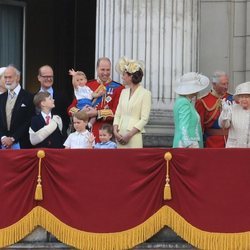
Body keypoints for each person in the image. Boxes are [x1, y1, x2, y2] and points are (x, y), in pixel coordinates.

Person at [67, 57, 124, 142]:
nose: (105, 73)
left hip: (106, 135)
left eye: (108, 70)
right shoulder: (87, 85)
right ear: (97, 69)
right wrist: (81, 112)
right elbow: (71, 108)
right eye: (102, 70)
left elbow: (118, 113)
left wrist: (97, 113)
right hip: (85, 134)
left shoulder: (118, 88)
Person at [113, 57, 151, 148]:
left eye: (124, 74)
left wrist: (129, 135)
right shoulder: (123, 92)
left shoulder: (145, 93)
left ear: (131, 76)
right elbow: (118, 114)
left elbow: (144, 119)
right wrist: (115, 132)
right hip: (120, 134)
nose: (122, 77)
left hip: (134, 136)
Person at [195, 71, 233, 148]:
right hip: (211, 143)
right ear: (214, 84)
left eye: (227, 83)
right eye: (223, 84)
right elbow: (199, 127)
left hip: (231, 142)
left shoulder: (232, 99)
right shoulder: (202, 101)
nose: (226, 87)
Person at [0, 65, 35, 149]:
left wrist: (13, 138)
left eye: (10, 77)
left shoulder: (29, 97)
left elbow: (29, 121)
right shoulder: (1, 98)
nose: (7, 80)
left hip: (21, 144)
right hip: (2, 145)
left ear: (18, 78)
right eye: (5, 77)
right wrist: (3, 137)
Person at [173, 72, 209, 148]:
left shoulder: (186, 102)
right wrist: (188, 144)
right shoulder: (184, 102)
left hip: (190, 142)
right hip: (188, 144)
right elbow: (183, 125)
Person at [37, 65, 70, 135]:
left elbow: (66, 118)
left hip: (58, 140)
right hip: (39, 140)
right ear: (39, 78)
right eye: (45, 76)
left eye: (51, 76)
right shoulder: (33, 97)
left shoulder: (62, 96)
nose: (49, 79)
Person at [218, 81, 250, 148]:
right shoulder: (232, 108)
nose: (244, 99)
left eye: (247, 97)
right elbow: (224, 125)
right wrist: (225, 112)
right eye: (241, 97)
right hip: (235, 149)